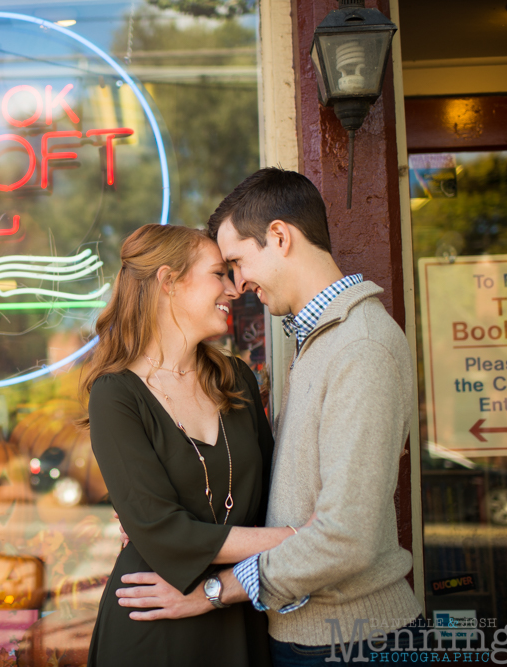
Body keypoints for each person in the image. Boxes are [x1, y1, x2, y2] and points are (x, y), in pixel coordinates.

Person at [116, 168, 425, 665]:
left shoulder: (360, 346)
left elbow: (347, 539)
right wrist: (158, 514)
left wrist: (212, 592)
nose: (238, 284)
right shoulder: (320, 340)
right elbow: (289, 487)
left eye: (236, 261)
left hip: (356, 641)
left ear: (279, 237)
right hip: (314, 635)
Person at [83, 223, 306, 667]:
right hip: (152, 620)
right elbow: (164, 533)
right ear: (169, 282)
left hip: (237, 609)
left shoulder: (237, 379)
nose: (234, 287)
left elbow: (271, 496)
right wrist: (296, 540)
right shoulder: (116, 395)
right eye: (218, 274)